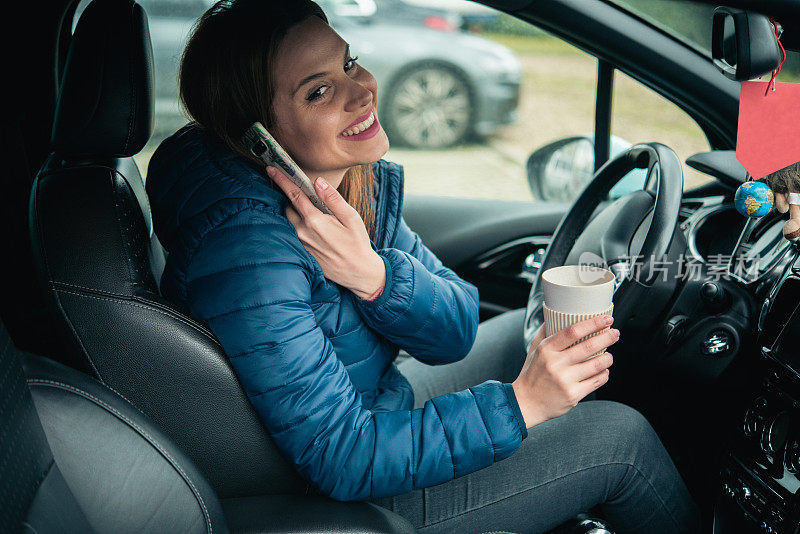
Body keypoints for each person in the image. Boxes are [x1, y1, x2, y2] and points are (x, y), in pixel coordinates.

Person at [144, 1, 701, 532]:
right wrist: (524, 404)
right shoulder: (249, 254)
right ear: (258, 139)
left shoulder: (338, 190)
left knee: (521, 333)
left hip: (381, 404)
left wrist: (376, 277)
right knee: (620, 439)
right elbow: (343, 458)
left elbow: (457, 326)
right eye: (319, 92)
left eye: (348, 62)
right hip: (355, 500)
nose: (361, 90)